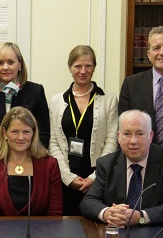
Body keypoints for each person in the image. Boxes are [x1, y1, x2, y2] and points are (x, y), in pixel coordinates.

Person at [0, 42, 50, 194]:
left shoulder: (36, 91)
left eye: (10, 62)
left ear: (20, 64)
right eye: (0, 63)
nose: (5, 67)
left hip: (28, 165)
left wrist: (39, 166)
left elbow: (43, 133)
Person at [80, 110, 163, 226]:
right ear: (118, 137)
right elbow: (87, 202)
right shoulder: (106, 164)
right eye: (127, 134)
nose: (133, 141)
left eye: (140, 134)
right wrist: (108, 214)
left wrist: (140, 217)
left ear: (150, 136)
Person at [48, 45, 118, 215]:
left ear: (94, 67)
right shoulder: (57, 101)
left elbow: (112, 140)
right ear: (69, 67)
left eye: (88, 66)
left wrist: (95, 177)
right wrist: (67, 177)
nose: (83, 71)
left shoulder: (109, 99)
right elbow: (53, 142)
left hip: (99, 178)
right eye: (77, 66)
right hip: (66, 178)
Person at [0, 106, 62, 216]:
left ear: (33, 133)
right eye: (14, 131)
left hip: (41, 232)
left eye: (26, 131)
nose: (20, 137)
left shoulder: (50, 165)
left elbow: (55, 214)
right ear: (4, 133)